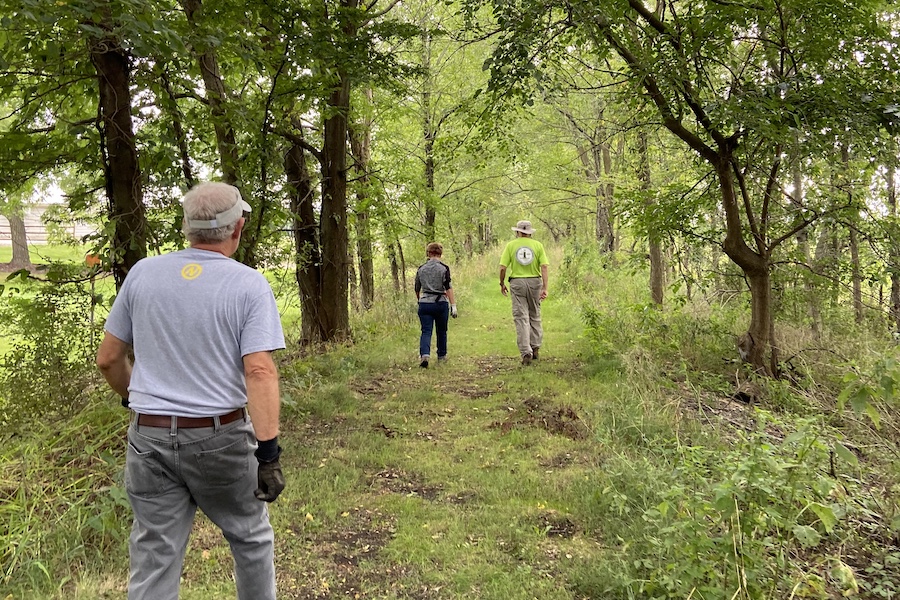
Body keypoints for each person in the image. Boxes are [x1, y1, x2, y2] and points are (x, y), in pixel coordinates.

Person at [95, 182, 286, 600]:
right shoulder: (248, 285)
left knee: (154, 552)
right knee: (250, 537)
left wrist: (134, 400)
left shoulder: (143, 273)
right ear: (236, 229)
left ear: (187, 228)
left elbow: (108, 358)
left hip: (147, 438)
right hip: (220, 438)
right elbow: (258, 370)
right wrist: (268, 455)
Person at [499, 220, 549, 365]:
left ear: (518, 232)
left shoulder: (511, 245)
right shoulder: (538, 245)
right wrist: (544, 287)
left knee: (521, 317)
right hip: (535, 281)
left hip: (517, 283)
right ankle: (535, 347)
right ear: (530, 232)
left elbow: (502, 268)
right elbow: (544, 267)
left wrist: (502, 283)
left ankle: (525, 351)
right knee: (535, 314)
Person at [414, 242, 457, 368]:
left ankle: (425, 355)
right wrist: (453, 305)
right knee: (442, 331)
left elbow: (417, 288)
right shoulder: (444, 268)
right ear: (440, 254)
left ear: (428, 253)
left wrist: (419, 300)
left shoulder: (421, 268)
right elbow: (448, 287)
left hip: (425, 303)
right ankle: (441, 356)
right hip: (440, 303)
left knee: (426, 331)